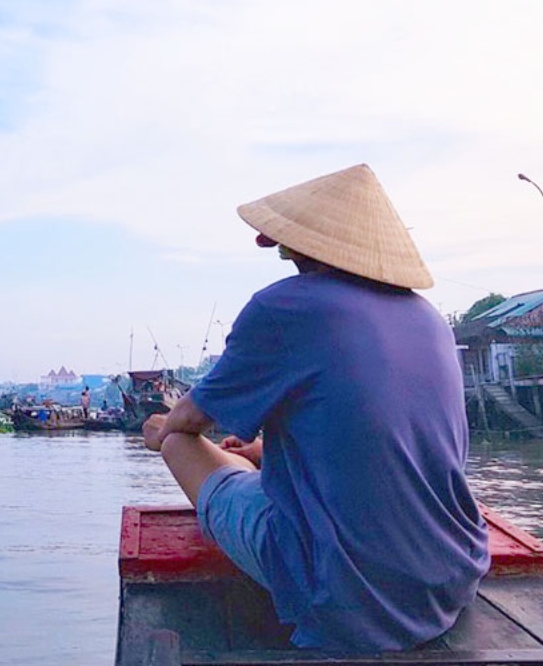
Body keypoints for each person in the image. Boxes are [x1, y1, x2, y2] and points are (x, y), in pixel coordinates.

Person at [142, 164, 488, 652]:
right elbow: (380, 432)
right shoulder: (430, 319)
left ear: (294, 247)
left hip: (344, 594)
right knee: (251, 460)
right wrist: (265, 451)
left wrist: (159, 431)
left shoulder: (284, 308)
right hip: (453, 577)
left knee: (178, 442)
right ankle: (256, 463)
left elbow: (191, 418)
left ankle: (234, 470)